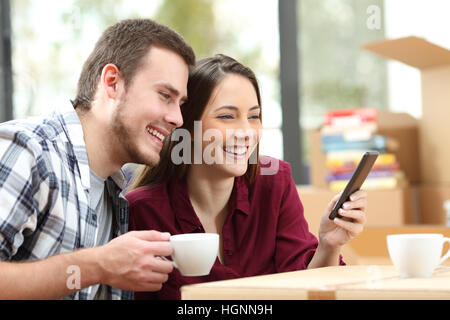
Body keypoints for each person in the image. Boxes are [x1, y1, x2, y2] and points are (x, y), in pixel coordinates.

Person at [126, 54, 368, 300]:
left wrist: (329, 244)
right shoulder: (143, 211)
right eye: (227, 117)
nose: (245, 132)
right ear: (187, 127)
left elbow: (306, 290)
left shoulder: (275, 184)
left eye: (253, 116)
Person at [0, 18, 195, 299]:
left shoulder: (115, 198)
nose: (177, 118)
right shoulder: (29, 151)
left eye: (181, 104)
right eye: (165, 95)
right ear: (112, 83)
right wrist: (98, 265)